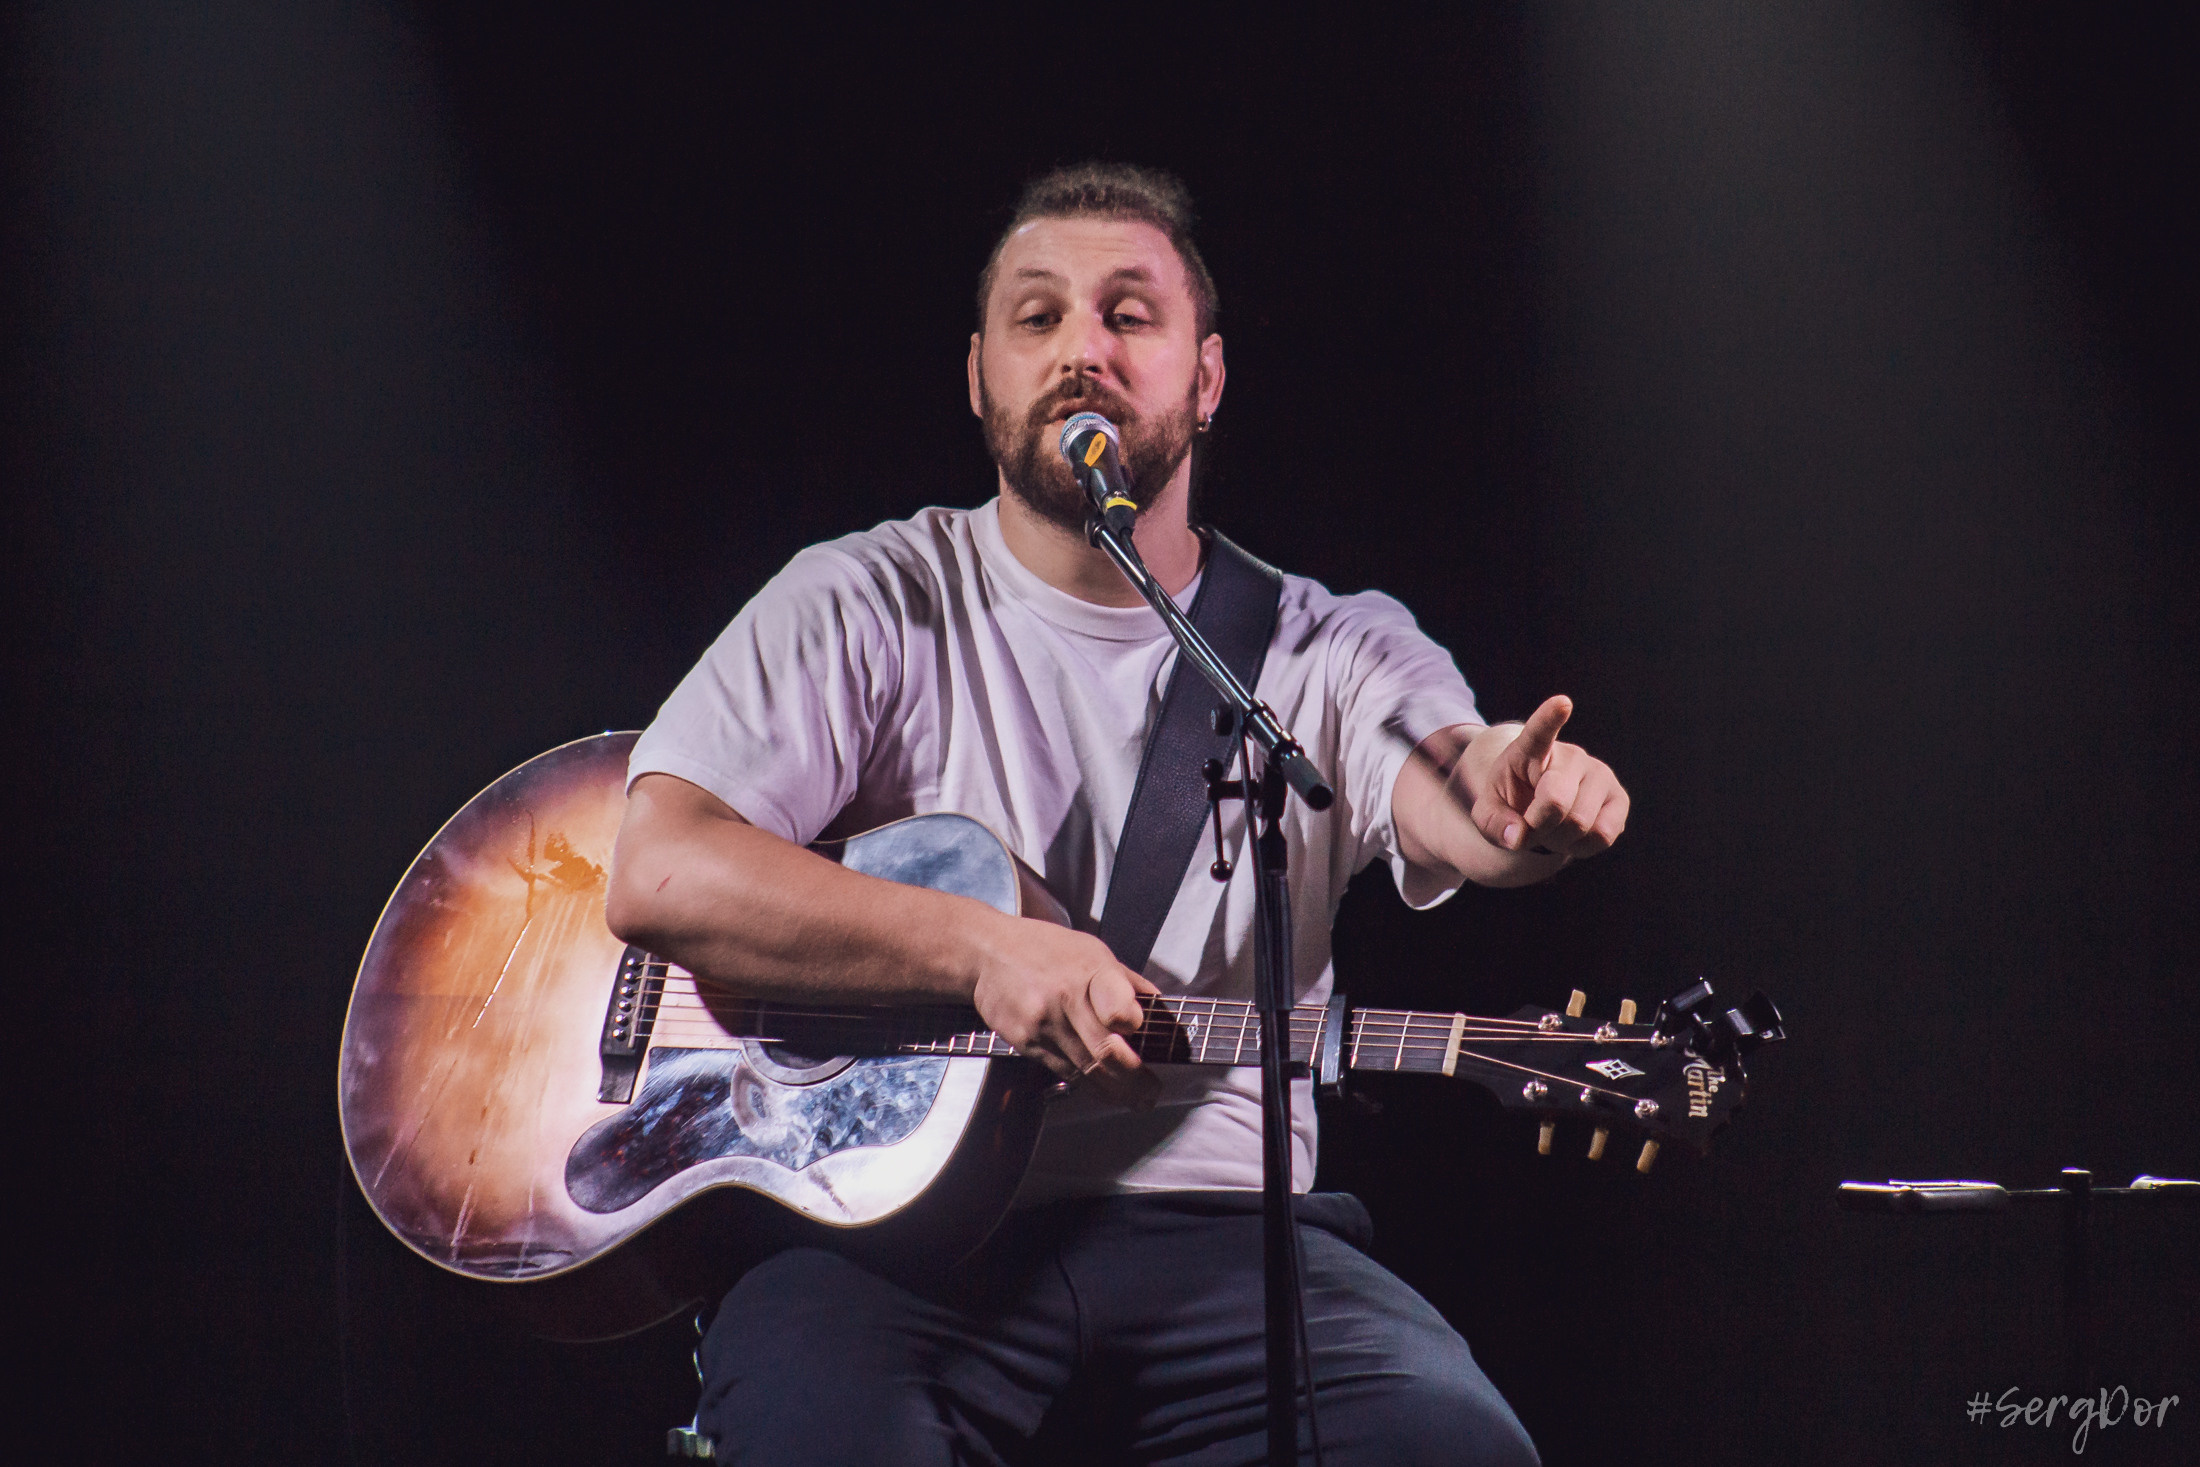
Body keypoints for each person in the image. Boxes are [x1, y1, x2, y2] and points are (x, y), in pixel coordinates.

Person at [605, 163, 1627, 1467]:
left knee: (1456, 1450)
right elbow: (659, 872)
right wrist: (979, 950)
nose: (1083, 348)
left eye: (1128, 315)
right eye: (1039, 318)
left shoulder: (1327, 645)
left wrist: (1515, 807)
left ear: (1205, 378)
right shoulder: (863, 598)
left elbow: (1453, 788)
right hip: (886, 1259)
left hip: (1234, 1243)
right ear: (980, 375)